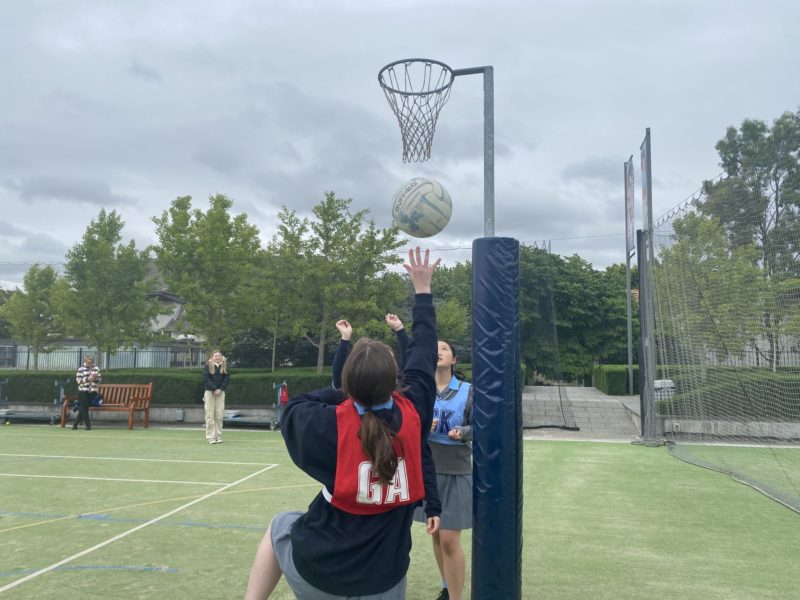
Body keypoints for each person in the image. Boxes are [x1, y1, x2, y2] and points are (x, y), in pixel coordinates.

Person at [245, 247, 441, 600]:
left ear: (349, 385)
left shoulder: (326, 425)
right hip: (384, 579)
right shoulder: (413, 413)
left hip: (319, 571)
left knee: (280, 526)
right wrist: (422, 291)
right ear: (396, 380)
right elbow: (424, 352)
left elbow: (298, 406)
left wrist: (347, 393)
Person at [414, 340, 473, 600]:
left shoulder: (468, 391)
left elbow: (483, 425)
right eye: (434, 347)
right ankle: (447, 588)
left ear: (454, 360)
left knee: (449, 539)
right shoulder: (420, 390)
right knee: (437, 536)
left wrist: (463, 432)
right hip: (427, 471)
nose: (438, 351)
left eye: (445, 349)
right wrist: (422, 425)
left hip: (456, 471)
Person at [202, 350, 229, 444]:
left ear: (221, 357)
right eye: (215, 356)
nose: (217, 357)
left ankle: (218, 436)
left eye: (219, 356)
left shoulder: (224, 365)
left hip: (221, 393)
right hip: (209, 392)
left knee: (219, 415)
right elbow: (206, 378)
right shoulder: (208, 365)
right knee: (210, 415)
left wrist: (220, 389)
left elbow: (227, 379)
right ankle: (210, 437)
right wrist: (214, 389)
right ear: (212, 357)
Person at [73, 355, 101, 430]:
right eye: (88, 362)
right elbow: (78, 382)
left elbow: (99, 380)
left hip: (93, 392)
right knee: (85, 408)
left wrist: (95, 379)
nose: (90, 364)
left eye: (91, 362)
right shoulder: (80, 369)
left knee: (83, 407)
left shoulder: (96, 368)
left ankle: (75, 424)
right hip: (82, 391)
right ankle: (88, 426)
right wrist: (88, 379)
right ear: (85, 362)